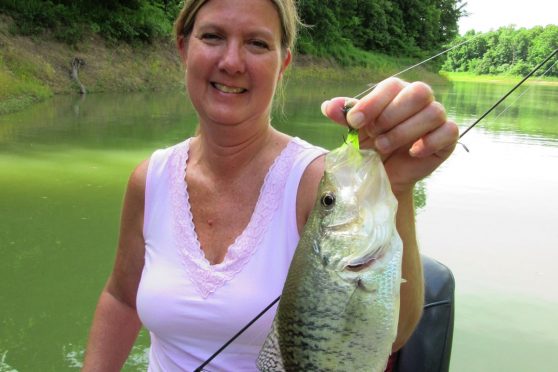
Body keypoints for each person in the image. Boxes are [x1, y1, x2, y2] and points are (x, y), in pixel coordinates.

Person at [82, 0, 459, 370]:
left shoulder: (314, 180)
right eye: (213, 36)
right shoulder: (151, 179)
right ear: (183, 47)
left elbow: (390, 334)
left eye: (257, 43)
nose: (231, 62)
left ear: (283, 64)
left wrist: (396, 188)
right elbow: (122, 297)